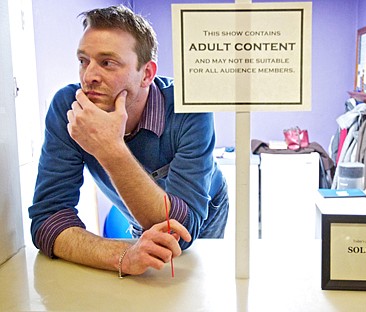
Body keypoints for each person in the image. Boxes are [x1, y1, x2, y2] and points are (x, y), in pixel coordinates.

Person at [29, 5, 229, 277]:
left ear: (147, 74)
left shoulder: (189, 106)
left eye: (107, 62)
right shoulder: (69, 107)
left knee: (198, 278)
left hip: (205, 207)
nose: (89, 76)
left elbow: (181, 234)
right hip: (141, 213)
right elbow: (47, 220)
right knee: (149, 277)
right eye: (83, 60)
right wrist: (123, 255)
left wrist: (110, 149)